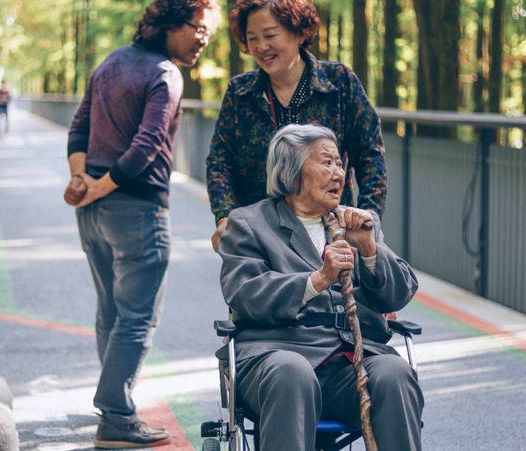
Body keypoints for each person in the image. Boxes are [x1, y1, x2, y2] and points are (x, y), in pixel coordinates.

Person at [65, 0, 220, 448]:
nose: (203, 38)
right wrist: (100, 185)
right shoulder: (166, 73)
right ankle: (116, 415)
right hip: (136, 208)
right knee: (137, 318)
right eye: (198, 27)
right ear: (170, 24)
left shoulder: (110, 62)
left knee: (110, 311)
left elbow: (79, 129)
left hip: (93, 212)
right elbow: (148, 144)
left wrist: (82, 179)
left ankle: (114, 406)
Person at [218, 124, 423, 451]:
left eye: (339, 164)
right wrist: (318, 280)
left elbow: (399, 294)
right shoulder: (249, 223)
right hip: (277, 353)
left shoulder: (356, 222)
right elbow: (245, 294)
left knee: (394, 372)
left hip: (349, 364)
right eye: (326, 163)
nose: (338, 173)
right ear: (291, 171)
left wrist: (370, 250)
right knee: (291, 372)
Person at [207, 0, 387, 252]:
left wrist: (367, 219)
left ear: (300, 32)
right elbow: (220, 161)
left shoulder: (339, 83)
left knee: (330, 291)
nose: (261, 47)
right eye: (252, 38)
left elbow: (371, 157)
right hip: (259, 235)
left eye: (270, 35)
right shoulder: (239, 92)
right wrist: (225, 217)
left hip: (330, 235)